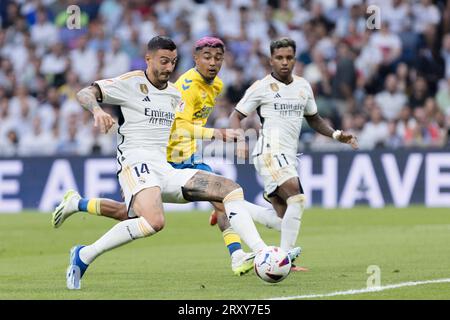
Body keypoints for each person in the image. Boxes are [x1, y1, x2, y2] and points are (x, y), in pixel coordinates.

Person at [65, 36, 300, 289]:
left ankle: (261, 253)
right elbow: (85, 92)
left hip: (166, 166)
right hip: (135, 162)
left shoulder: (173, 94)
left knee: (230, 190)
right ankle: (85, 255)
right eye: (163, 61)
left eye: (173, 62)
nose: (168, 68)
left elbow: (179, 129)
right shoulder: (132, 82)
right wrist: (97, 110)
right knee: (154, 222)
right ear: (149, 59)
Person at [229, 37, 358, 270]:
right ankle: (286, 258)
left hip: (288, 155)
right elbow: (235, 115)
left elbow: (314, 119)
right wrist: (239, 140)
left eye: (289, 58)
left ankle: (232, 206)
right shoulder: (261, 87)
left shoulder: (303, 86)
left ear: (295, 60)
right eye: (279, 58)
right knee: (297, 197)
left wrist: (337, 135)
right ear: (271, 61)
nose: (284, 62)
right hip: (269, 151)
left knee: (283, 220)